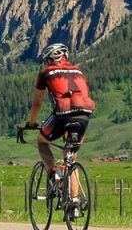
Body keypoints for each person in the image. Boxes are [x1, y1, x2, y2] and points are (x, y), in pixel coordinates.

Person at [26, 43, 95, 195]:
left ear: (48, 60)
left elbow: (37, 103)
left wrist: (31, 122)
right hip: (84, 114)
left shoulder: (46, 73)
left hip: (63, 113)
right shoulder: (78, 71)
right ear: (65, 57)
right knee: (71, 157)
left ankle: (53, 174)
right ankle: (74, 201)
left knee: (42, 142)